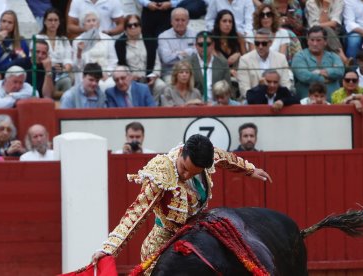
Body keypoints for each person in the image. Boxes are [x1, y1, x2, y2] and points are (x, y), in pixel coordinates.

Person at [91, 134, 272, 273]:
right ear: (182, 151)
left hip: (197, 231)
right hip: (163, 242)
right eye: (184, 168)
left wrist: (250, 170)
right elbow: (137, 212)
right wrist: (109, 249)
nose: (186, 176)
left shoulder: (205, 157)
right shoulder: (162, 172)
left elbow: (225, 158)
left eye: (193, 173)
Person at [115, 14, 165, 104]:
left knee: (161, 85)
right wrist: (129, 76)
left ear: (140, 26)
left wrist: (154, 75)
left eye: (136, 24)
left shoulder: (149, 40)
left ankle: (154, 109)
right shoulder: (119, 44)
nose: (133, 27)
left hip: (149, 78)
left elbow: (157, 63)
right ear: (125, 29)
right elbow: (120, 65)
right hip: (131, 79)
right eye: (130, 25)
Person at [292, 26, 344, 101]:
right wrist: (325, 78)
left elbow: (340, 71)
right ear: (307, 41)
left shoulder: (333, 56)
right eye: (312, 40)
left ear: (325, 41)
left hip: (333, 102)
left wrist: (318, 72)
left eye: (318, 40)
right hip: (307, 103)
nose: (315, 43)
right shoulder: (299, 56)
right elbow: (304, 76)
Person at [237, 28, 292, 99]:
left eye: (264, 43)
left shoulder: (281, 58)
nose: (260, 47)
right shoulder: (244, 60)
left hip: (277, 101)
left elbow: (286, 86)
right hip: (253, 102)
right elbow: (244, 90)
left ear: (270, 43)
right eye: (257, 43)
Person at [72, 11, 118, 92]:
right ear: (83, 25)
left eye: (94, 20)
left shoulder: (108, 39)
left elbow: (113, 60)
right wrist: (79, 52)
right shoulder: (77, 41)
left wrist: (107, 73)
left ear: (98, 23)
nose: (92, 23)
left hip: (106, 73)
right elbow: (77, 66)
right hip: (87, 74)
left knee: (110, 84)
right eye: (88, 21)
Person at [0, 10, 29, 84]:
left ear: (14, 25)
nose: (6, 24)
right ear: (0, 22)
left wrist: (17, 51)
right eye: (4, 21)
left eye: (10, 22)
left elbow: (24, 59)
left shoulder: (21, 41)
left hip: (16, 75)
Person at [35, 8, 73, 98]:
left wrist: (63, 69)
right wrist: (53, 67)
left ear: (59, 22)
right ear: (44, 22)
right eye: (50, 20)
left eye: (56, 20)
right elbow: (35, 59)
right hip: (43, 74)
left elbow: (68, 60)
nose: (53, 23)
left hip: (61, 74)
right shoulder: (37, 38)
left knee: (67, 80)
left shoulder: (64, 39)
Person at [189, 31, 232, 102]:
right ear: (196, 46)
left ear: (213, 45)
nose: (204, 47)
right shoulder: (188, 63)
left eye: (207, 44)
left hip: (219, 102)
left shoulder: (222, 63)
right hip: (196, 104)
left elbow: (228, 87)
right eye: (200, 44)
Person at [305, 0, 349, 65]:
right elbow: (314, 27)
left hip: (335, 31)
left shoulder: (339, 2)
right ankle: (342, 58)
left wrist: (322, 24)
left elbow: (334, 23)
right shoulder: (311, 3)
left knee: (326, 30)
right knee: (325, 30)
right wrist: (325, 7)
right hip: (314, 32)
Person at [157, 8, 196, 81]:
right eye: (177, 20)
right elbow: (166, 59)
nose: (180, 23)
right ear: (171, 21)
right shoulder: (163, 36)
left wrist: (175, 53)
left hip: (190, 72)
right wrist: (187, 52)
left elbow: (197, 56)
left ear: (188, 21)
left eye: (183, 20)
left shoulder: (194, 35)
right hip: (171, 73)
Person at [212, 10, 246, 80]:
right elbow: (214, 64)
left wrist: (239, 54)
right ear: (218, 23)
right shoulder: (212, 39)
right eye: (224, 21)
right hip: (219, 76)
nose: (228, 24)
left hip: (237, 75)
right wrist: (228, 69)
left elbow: (246, 60)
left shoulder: (238, 37)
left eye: (230, 22)